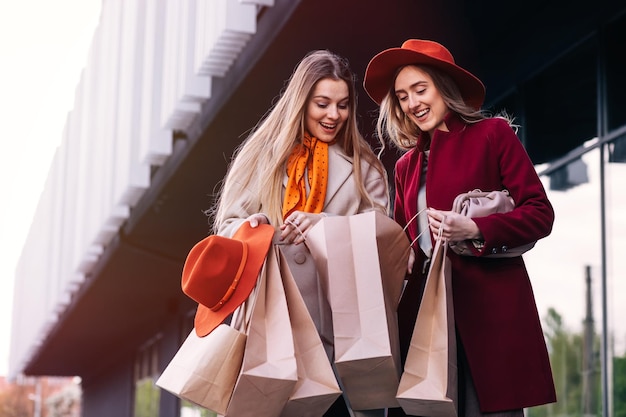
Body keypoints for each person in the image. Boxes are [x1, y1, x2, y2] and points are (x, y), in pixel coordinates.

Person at [363, 39, 557, 416]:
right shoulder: (405, 167)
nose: (413, 103)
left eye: (421, 90)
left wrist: (474, 228)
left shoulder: (493, 135)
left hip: (489, 316)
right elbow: (405, 241)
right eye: (403, 96)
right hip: (426, 319)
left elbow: (540, 214)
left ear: (444, 87)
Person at [209, 49, 389, 417]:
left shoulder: (363, 167)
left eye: (342, 105)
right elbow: (227, 231)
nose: (333, 115)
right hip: (270, 334)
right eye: (322, 103)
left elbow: (385, 241)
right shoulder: (260, 156)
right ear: (301, 101)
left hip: (341, 337)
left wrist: (329, 227)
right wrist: (254, 231)